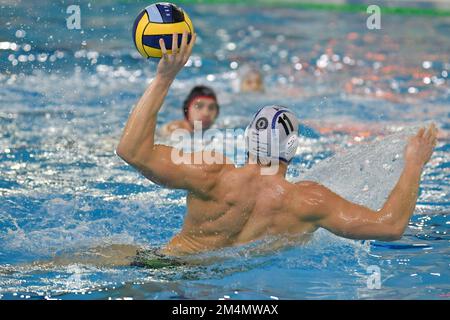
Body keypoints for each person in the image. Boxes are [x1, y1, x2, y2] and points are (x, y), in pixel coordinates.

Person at [116, 32, 438, 259]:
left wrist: (164, 78)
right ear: (293, 147)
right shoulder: (307, 202)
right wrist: (413, 163)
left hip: (162, 268)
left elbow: (131, 151)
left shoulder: (211, 173)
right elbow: (391, 225)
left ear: (247, 140)